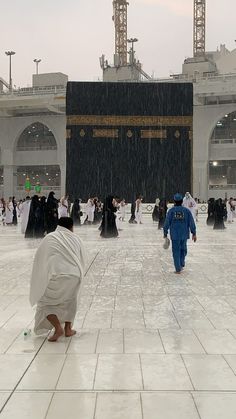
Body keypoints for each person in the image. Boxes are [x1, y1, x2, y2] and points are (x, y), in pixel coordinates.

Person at [29, 217, 86, 342]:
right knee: (71, 302)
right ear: (72, 227)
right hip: (74, 276)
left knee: (44, 303)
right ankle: (68, 329)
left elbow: (40, 258)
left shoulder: (50, 237)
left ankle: (57, 328)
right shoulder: (76, 239)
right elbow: (82, 258)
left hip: (57, 276)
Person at [163, 193, 197, 274]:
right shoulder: (186, 211)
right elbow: (191, 222)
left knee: (176, 251)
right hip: (184, 234)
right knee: (183, 250)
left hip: (174, 235)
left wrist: (165, 232)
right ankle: (181, 263)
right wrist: (194, 233)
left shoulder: (171, 211)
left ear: (174, 201)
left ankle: (178, 268)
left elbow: (167, 223)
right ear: (182, 201)